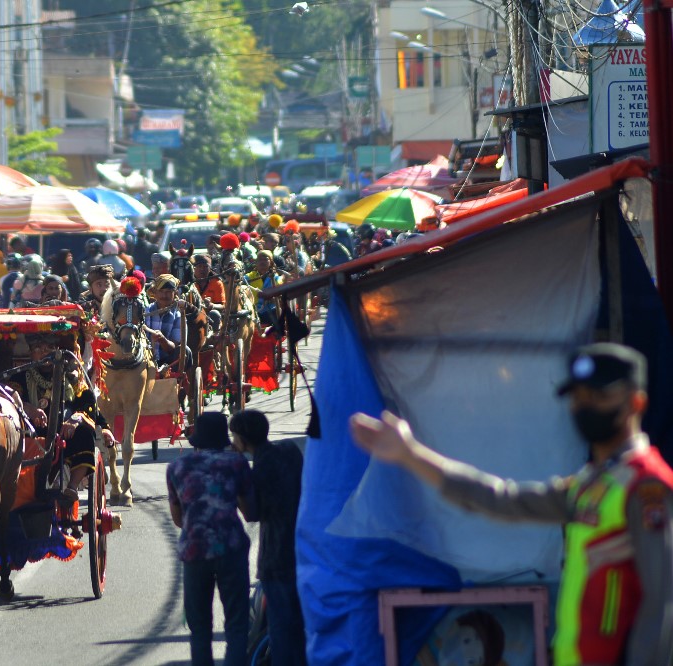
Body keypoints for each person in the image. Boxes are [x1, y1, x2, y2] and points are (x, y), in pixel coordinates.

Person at [349, 342, 673, 666]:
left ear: (636, 402)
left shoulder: (646, 486)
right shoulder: (591, 484)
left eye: (599, 397)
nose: (585, 406)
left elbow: (662, 603)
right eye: (578, 397)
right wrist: (410, 454)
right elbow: (501, 499)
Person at [167, 411, 256, 666]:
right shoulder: (236, 463)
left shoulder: (177, 468)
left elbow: (178, 519)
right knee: (237, 626)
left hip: (195, 550)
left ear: (196, 441)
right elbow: (250, 513)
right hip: (231, 547)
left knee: (200, 628)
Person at [229, 410, 306, 666]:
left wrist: (238, 478)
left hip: (277, 557)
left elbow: (252, 514)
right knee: (304, 627)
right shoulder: (290, 451)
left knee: (282, 631)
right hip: (306, 550)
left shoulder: (257, 469)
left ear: (240, 440)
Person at [2, 334, 117, 505]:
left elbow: (88, 403)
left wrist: (76, 420)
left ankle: (71, 486)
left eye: (49, 348)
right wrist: (29, 409)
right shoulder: (19, 377)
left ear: (58, 350)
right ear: (30, 353)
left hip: (64, 433)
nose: (44, 353)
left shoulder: (72, 376)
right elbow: (8, 400)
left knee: (85, 433)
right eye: (38, 349)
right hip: (30, 434)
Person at [145, 274, 191, 372]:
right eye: (161, 291)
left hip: (167, 364)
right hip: (144, 360)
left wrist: (162, 340)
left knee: (185, 350)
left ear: (175, 293)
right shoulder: (145, 312)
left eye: (168, 292)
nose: (164, 296)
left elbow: (174, 347)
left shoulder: (179, 316)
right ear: (155, 293)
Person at [245, 251, 283, 327]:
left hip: (270, 310)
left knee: (275, 312)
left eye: (265, 259)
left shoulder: (276, 278)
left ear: (271, 262)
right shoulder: (248, 277)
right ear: (256, 262)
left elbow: (281, 296)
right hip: (252, 310)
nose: (262, 262)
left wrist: (273, 299)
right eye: (259, 260)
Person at [193, 255, 224, 334]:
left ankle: (215, 338)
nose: (202, 269)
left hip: (210, 316)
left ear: (210, 269)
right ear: (193, 269)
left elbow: (222, 305)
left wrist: (211, 305)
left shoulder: (217, 283)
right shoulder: (189, 284)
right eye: (199, 266)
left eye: (205, 266)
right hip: (192, 314)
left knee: (215, 314)